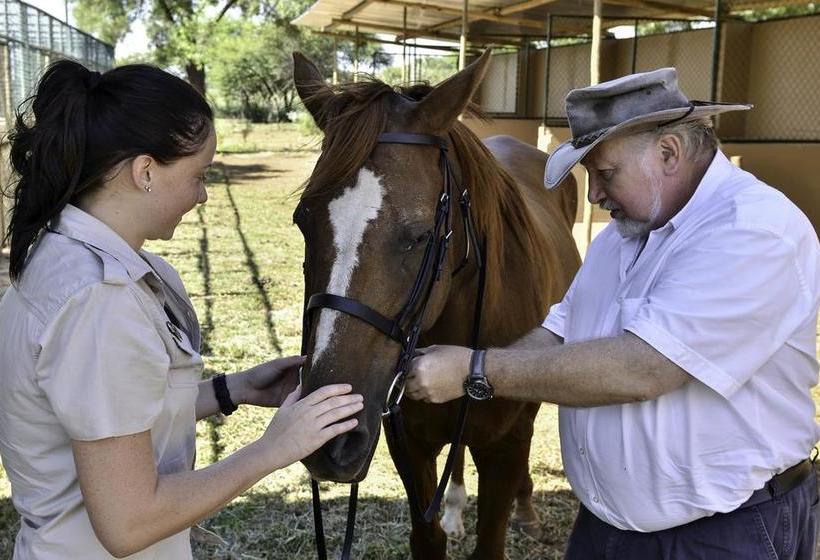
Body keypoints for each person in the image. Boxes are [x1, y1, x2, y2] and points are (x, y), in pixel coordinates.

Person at [406, 67, 820, 558]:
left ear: (668, 153)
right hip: (607, 527)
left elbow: (646, 368)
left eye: (604, 174)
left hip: (721, 532)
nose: (595, 197)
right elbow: (560, 329)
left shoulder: (752, 231)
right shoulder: (624, 239)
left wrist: (476, 369)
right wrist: (466, 373)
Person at [0, 60, 363, 559]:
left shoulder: (73, 258)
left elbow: (109, 412)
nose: (204, 194)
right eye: (199, 174)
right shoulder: (98, 302)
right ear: (145, 171)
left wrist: (232, 390)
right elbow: (129, 524)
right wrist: (273, 450)